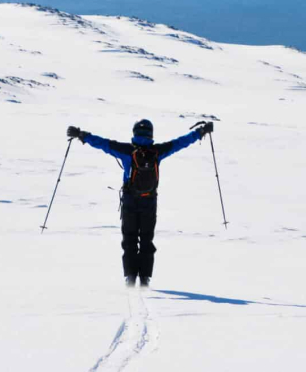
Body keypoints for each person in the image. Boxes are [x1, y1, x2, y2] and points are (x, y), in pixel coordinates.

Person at [66, 118, 213, 287]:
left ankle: (130, 277)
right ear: (151, 133)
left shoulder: (126, 150)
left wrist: (82, 135)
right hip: (149, 201)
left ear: (134, 132)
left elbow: (103, 144)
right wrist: (200, 132)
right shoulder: (158, 151)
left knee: (129, 238)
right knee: (146, 239)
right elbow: (180, 143)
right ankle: (145, 279)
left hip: (129, 200)